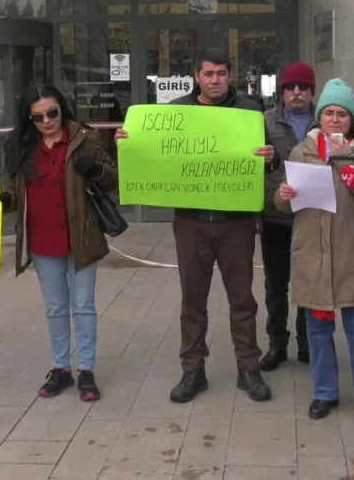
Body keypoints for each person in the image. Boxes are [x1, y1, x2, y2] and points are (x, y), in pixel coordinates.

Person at [116, 48, 277, 403]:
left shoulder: (249, 111)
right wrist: (130, 145)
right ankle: (193, 370)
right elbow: (154, 153)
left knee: (242, 299)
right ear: (196, 76)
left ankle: (248, 369)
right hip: (191, 222)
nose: (215, 80)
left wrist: (271, 156)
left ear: (230, 75)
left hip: (236, 222)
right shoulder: (178, 113)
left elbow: (268, 161)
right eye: (208, 74)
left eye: (221, 73)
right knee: (192, 300)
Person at [275, 78, 354, 438]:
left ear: (352, 119)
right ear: (319, 117)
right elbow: (283, 204)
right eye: (329, 113)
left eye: (342, 114)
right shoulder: (302, 151)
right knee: (318, 329)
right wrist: (284, 193)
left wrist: (348, 168)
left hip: (351, 253)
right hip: (312, 253)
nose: (335, 119)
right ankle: (325, 394)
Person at [0, 85, 117, 401]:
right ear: (29, 119)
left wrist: (96, 169)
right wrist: (4, 200)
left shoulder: (84, 137)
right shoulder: (21, 147)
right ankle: (61, 367)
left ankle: (86, 370)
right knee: (55, 308)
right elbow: (13, 189)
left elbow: (114, 178)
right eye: (38, 117)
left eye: (52, 113)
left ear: (62, 109)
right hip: (42, 239)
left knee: (84, 306)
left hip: (81, 236)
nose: (47, 121)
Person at [259, 61, 316, 370]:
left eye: (303, 87)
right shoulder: (265, 121)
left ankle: (307, 342)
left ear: (312, 91)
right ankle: (277, 344)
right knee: (276, 285)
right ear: (282, 91)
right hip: (275, 217)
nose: (296, 93)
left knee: (309, 282)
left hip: (313, 216)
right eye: (291, 87)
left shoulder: (327, 120)